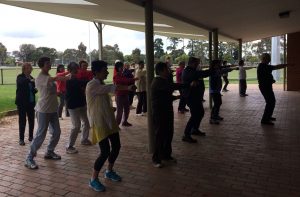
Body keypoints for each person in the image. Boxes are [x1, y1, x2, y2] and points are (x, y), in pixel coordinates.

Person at [86, 60, 134, 192]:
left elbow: (102, 97)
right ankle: (93, 179)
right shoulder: (92, 85)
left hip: (109, 121)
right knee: (105, 151)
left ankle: (109, 171)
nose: (107, 71)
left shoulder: (100, 83)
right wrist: (128, 88)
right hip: (99, 123)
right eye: (104, 70)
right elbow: (111, 88)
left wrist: (109, 108)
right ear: (96, 72)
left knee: (117, 146)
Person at [25, 57, 69, 170]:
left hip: (53, 109)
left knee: (57, 132)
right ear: (42, 66)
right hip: (43, 110)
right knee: (41, 135)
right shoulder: (40, 77)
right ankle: (29, 158)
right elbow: (54, 78)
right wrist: (66, 77)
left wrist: (57, 93)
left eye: (50, 63)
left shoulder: (48, 77)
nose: (50, 65)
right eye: (47, 63)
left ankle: (49, 152)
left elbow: (52, 88)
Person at [151, 62, 181, 167]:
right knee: (159, 135)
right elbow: (171, 87)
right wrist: (187, 84)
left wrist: (176, 97)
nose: (168, 71)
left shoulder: (163, 81)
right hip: (159, 112)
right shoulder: (158, 81)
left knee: (169, 133)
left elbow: (166, 95)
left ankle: (166, 155)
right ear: (160, 71)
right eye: (166, 69)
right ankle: (156, 159)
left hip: (167, 111)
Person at [182, 57, 211, 143]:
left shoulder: (191, 70)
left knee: (200, 113)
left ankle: (194, 129)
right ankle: (186, 134)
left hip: (195, 96)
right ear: (192, 63)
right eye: (196, 63)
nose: (198, 65)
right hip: (191, 97)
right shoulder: (188, 71)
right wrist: (212, 70)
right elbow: (200, 74)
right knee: (195, 115)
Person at [65, 62, 92, 154]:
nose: (76, 70)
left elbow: (82, 83)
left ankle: (84, 139)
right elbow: (79, 83)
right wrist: (91, 81)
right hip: (73, 106)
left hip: (81, 104)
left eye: (76, 69)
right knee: (76, 126)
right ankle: (69, 146)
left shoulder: (76, 77)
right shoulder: (68, 79)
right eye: (74, 69)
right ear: (70, 70)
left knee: (86, 123)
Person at [257, 53, 289, 125]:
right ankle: (265, 120)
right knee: (270, 102)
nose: (269, 60)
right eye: (268, 59)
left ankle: (268, 116)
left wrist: (271, 80)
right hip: (265, 87)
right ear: (265, 59)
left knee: (271, 102)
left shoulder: (264, 66)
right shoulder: (263, 66)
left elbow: (265, 76)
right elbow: (276, 67)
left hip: (266, 86)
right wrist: (287, 65)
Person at [15, 63, 37, 146]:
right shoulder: (20, 77)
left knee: (31, 120)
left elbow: (33, 89)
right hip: (22, 103)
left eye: (30, 68)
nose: (30, 69)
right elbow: (22, 83)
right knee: (22, 121)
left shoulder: (31, 78)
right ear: (24, 69)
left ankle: (31, 137)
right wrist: (30, 80)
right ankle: (21, 139)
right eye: (28, 68)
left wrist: (35, 90)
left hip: (31, 102)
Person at [209, 60, 237, 124]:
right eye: (218, 64)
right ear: (214, 65)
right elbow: (223, 70)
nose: (219, 65)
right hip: (214, 90)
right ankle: (212, 118)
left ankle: (215, 115)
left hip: (217, 90)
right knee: (217, 103)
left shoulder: (217, 69)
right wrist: (231, 68)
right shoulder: (213, 71)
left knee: (218, 103)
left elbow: (223, 68)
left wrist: (230, 67)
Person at [113, 61, 137, 126]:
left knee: (127, 110)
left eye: (122, 67)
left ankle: (124, 122)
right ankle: (116, 126)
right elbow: (122, 81)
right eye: (120, 67)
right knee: (119, 112)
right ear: (117, 68)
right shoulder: (116, 76)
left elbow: (126, 81)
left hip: (125, 94)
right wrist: (133, 79)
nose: (122, 68)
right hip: (119, 95)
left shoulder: (123, 74)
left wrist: (132, 82)